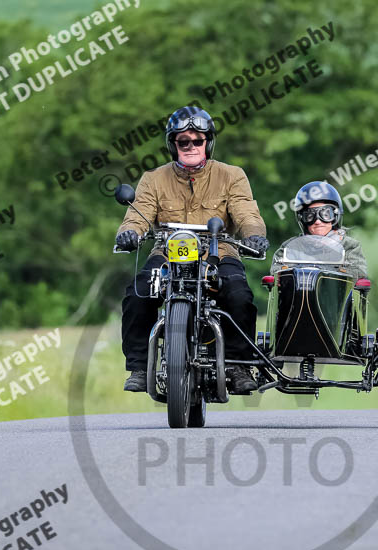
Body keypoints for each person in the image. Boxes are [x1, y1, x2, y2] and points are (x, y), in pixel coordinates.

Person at [115, 106, 269, 395]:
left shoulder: (232, 175)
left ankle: (237, 365)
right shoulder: (153, 178)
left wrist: (254, 236)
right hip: (168, 251)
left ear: (208, 142)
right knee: (138, 292)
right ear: (173, 144)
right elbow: (139, 214)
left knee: (239, 295)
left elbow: (247, 214)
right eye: (182, 141)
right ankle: (139, 366)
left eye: (196, 140)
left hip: (219, 250)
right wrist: (129, 234)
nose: (190, 146)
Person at [271, 181, 368, 279]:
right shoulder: (290, 248)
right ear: (302, 219)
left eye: (325, 214)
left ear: (335, 216)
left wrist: (321, 272)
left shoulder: (349, 246)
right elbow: (276, 272)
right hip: (296, 294)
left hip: (335, 293)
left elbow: (358, 273)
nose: (317, 221)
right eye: (310, 216)